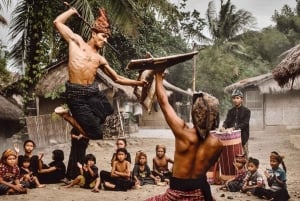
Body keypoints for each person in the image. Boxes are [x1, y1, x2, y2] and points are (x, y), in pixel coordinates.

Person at [53, 6, 147, 140]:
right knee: (96, 135)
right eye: (103, 36)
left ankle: (85, 126)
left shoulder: (100, 59)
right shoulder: (76, 42)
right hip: (76, 95)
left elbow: (117, 78)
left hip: (92, 92)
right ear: (93, 33)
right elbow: (57, 23)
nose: (105, 40)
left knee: (108, 110)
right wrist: (71, 11)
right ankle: (66, 115)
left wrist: (138, 83)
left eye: (107, 38)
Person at [145, 71, 223, 201]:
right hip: (198, 195)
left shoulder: (182, 132)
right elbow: (205, 171)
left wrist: (158, 74)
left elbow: (164, 102)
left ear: (194, 113)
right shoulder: (218, 144)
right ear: (215, 118)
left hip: (174, 195)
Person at [221, 89, 251, 158]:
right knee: (233, 155)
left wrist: (234, 128)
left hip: (243, 137)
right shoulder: (230, 111)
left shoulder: (247, 111)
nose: (235, 100)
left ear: (242, 99)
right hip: (232, 138)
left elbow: (245, 123)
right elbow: (227, 121)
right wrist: (223, 126)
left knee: (244, 157)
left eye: (237, 98)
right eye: (234, 98)